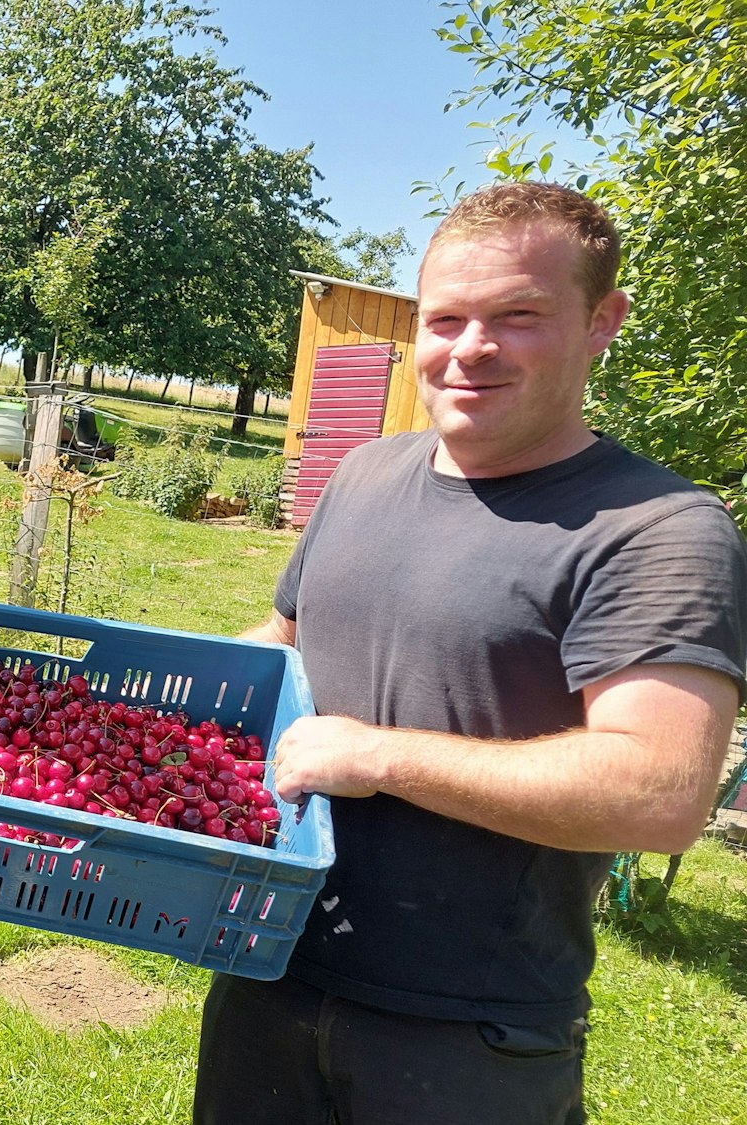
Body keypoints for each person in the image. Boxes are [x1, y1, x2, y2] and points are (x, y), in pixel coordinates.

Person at [194, 181, 747, 1124]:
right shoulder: (366, 472)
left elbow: (659, 793)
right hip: (267, 963)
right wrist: (129, 700)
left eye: (517, 316)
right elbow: (284, 645)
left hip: (465, 1033)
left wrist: (379, 756)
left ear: (601, 321)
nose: (471, 347)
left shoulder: (657, 529)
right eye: (445, 318)